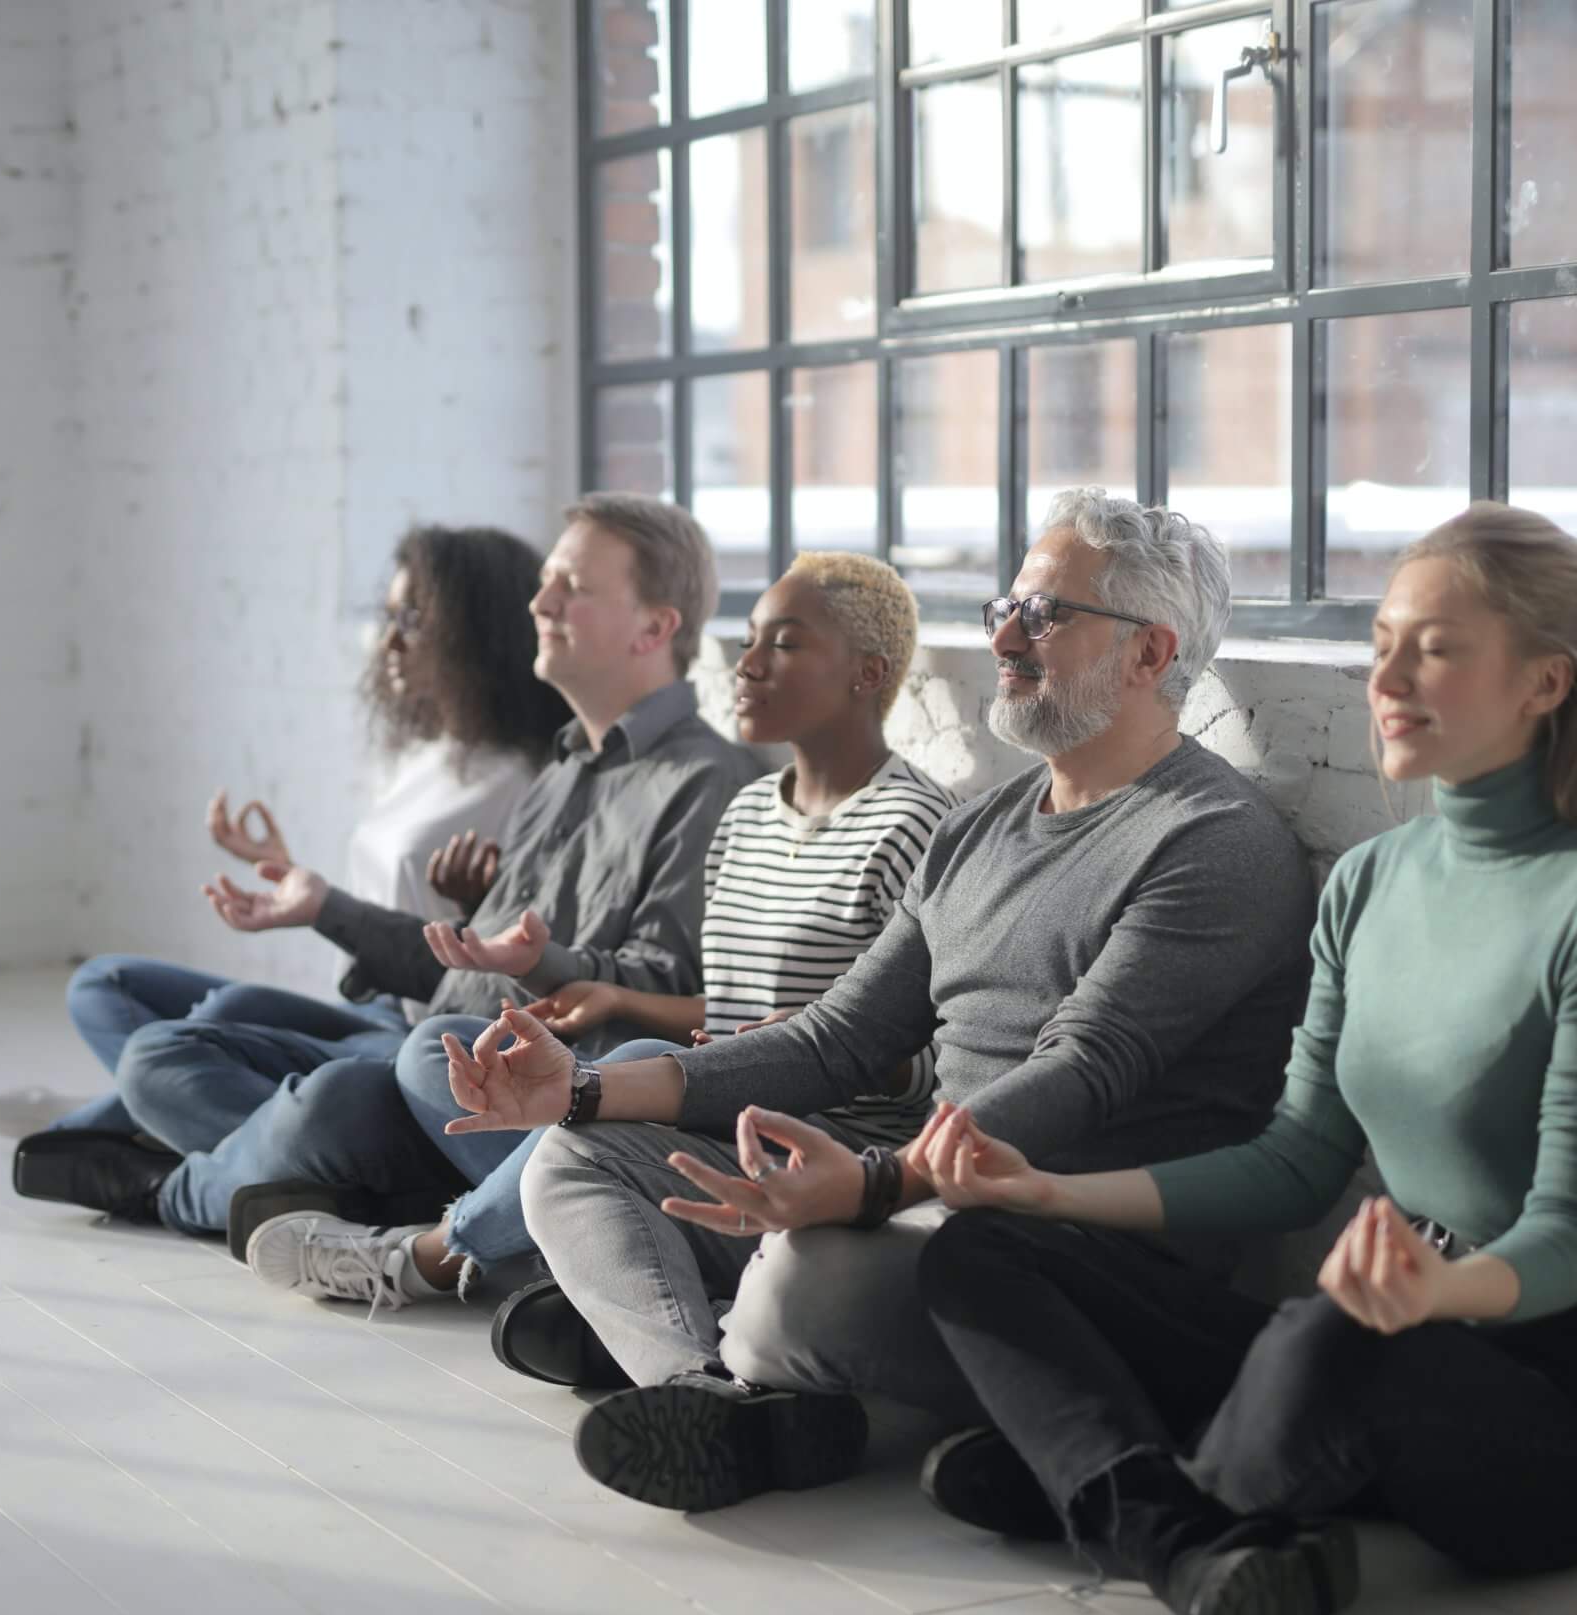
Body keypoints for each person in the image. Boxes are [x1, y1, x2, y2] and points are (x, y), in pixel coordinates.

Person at [905, 503, 1577, 1615]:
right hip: (1370, 1321)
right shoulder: (1370, 881)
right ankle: (1191, 1537)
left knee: (1328, 1343)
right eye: (1381, 640)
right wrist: (1047, 1197)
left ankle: (1130, 1492)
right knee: (980, 1253)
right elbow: (1291, 1164)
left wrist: (1439, 1291)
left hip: (1553, 1400)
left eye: (1434, 647)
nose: (1387, 675)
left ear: (1543, 683)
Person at [447, 490, 1318, 1514]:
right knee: (573, 1162)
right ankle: (709, 1394)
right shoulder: (981, 825)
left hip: (1056, 1254)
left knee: (801, 1280)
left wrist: (870, 1185)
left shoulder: (1212, 842)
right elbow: (836, 1039)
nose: (1002, 634)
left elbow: (1080, 1073)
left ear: (1147, 653)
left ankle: (753, 1364)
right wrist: (584, 1090)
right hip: (920, 1197)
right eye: (1009, 604)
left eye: (1043, 615)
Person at [10, 495, 762, 1237]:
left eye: (574, 587)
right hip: (429, 1044)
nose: (541, 601)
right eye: (547, 581)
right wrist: (330, 906)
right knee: (158, 1054)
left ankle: (176, 1187)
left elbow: (667, 993)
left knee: (333, 1095)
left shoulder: (705, 784)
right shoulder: (563, 772)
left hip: (504, 1088)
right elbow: (461, 969)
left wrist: (541, 963)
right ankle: (323, 1177)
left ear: (655, 627)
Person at [244, 551, 957, 1316]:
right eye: (748, 638)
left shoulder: (918, 826)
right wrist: (604, 991)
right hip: (723, 1099)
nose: (745, 664)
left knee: (631, 1075)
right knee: (438, 1050)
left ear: (869, 674)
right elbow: (727, 1007)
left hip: (824, 1141)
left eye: (783, 644)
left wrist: (824, 1044)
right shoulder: (748, 813)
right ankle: (557, 1244)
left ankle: (423, 1257)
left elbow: (938, 1049)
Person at [0, 524, 560, 1140]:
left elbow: (495, 961)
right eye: (389, 615)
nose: (390, 641)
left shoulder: (526, 783)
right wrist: (294, 880)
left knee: (223, 1017)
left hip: (426, 1032)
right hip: (370, 1005)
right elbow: (386, 911)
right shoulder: (430, 753)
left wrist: (357, 909)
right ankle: (161, 1112)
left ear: (476, 634)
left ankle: (115, 1120)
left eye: (413, 620)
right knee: (103, 984)